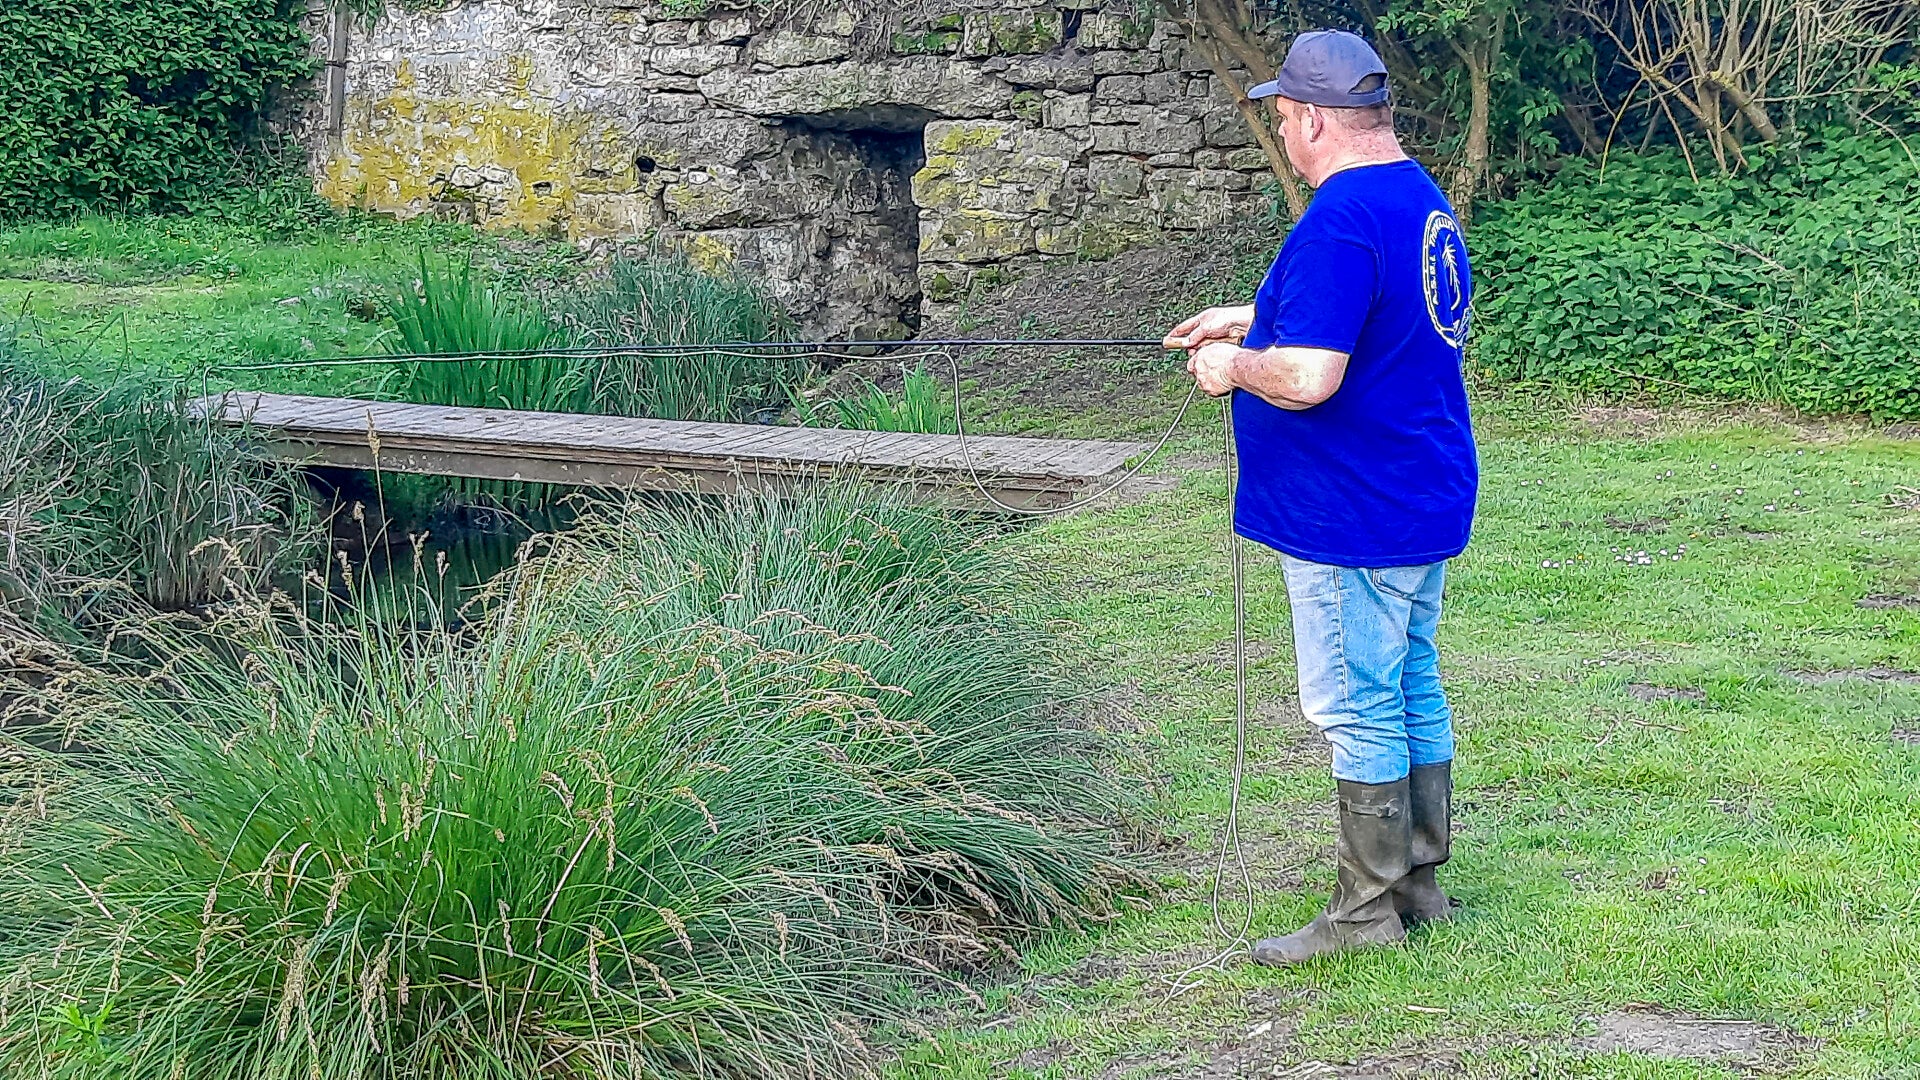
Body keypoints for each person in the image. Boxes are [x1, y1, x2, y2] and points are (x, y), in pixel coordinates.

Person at [1162, 29, 1479, 966]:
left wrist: (1231, 365)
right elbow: (1377, 314)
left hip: (1353, 509)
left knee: (1358, 701)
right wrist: (1252, 316)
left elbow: (1308, 376)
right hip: (1415, 488)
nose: (1284, 135)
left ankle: (1365, 913)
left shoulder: (1340, 215)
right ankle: (1417, 886)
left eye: (1284, 118)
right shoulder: (1415, 197)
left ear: (1307, 119)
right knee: (1409, 682)